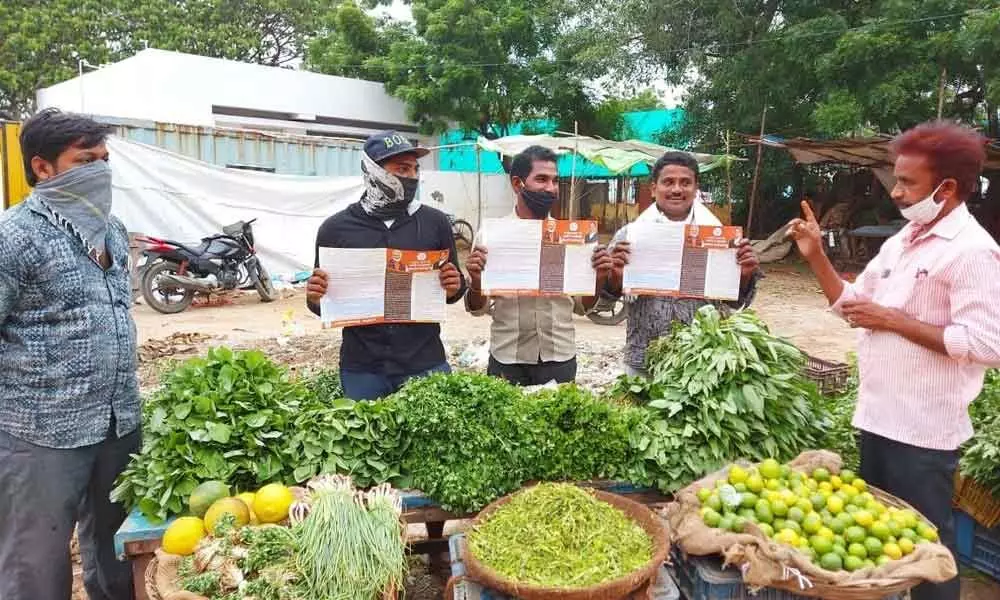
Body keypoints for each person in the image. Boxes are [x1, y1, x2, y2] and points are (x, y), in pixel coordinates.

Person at [787, 122, 1000, 600]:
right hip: (879, 418)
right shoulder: (903, 241)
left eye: (908, 183)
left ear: (946, 188)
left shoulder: (973, 253)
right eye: (897, 179)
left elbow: (988, 344)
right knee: (883, 541)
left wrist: (893, 319)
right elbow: (854, 306)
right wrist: (818, 257)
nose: (897, 192)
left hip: (923, 431)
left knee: (927, 548)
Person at [0, 109, 140, 600]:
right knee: (34, 562)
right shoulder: (14, 236)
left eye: (104, 159)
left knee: (116, 551)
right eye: (86, 160)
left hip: (118, 421)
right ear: (43, 168)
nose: (101, 170)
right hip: (42, 433)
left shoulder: (112, 230)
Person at [306, 131, 466, 400]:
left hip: (425, 363)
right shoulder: (335, 229)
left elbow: (453, 291)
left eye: (415, 169)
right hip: (363, 369)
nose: (412, 177)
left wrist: (454, 286)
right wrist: (314, 296)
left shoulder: (435, 223)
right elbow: (320, 303)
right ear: (373, 171)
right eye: (402, 169)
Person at [465, 145, 613, 385]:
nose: (551, 188)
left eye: (555, 181)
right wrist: (477, 281)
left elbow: (581, 308)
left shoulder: (573, 239)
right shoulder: (491, 236)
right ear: (517, 184)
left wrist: (598, 277)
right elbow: (477, 309)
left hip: (559, 358)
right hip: (507, 358)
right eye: (541, 179)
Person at [605, 151, 761, 377]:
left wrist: (744, 274)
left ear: (696, 189)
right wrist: (616, 275)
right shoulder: (629, 236)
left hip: (702, 363)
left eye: (685, 182)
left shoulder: (721, 238)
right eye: (668, 182)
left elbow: (735, 302)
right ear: (653, 188)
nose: (676, 189)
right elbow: (606, 299)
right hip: (643, 361)